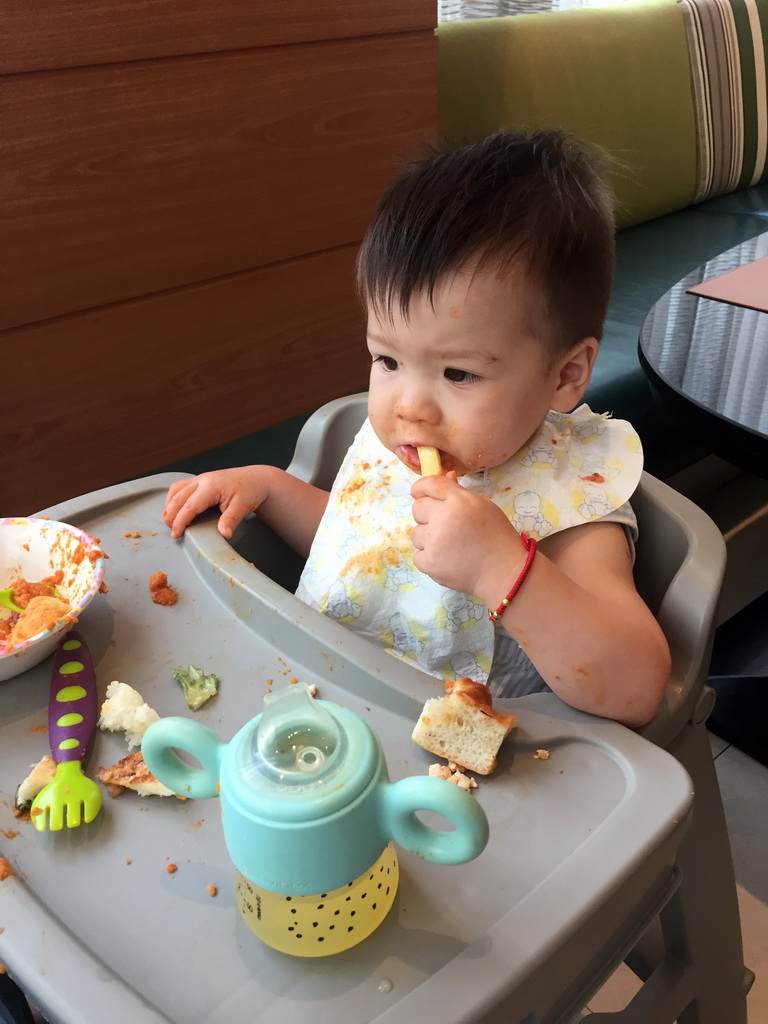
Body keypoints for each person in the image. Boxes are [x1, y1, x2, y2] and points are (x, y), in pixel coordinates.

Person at [163, 129, 670, 728]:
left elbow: (636, 687)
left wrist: (502, 567)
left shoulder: (569, 494)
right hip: (317, 704)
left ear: (566, 374)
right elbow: (366, 548)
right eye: (388, 360)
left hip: (461, 768)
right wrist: (272, 489)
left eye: (458, 372)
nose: (410, 406)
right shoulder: (399, 446)